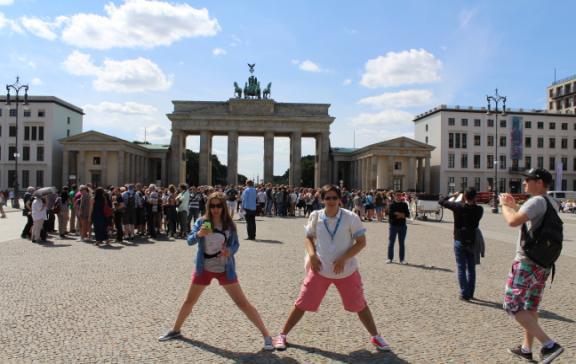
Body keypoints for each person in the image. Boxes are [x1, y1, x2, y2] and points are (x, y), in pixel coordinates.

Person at [274, 185, 391, 352]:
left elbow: (361, 242)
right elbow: (308, 238)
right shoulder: (315, 216)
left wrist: (344, 258)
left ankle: (376, 336)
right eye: (327, 198)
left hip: (346, 270)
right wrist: (312, 255)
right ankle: (282, 335)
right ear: (322, 199)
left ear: (340, 199)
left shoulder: (351, 217)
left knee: (360, 304)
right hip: (320, 268)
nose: (331, 201)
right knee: (302, 302)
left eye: (334, 197)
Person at [158, 192, 274, 351]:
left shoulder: (229, 225)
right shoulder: (201, 221)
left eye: (218, 205)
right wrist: (199, 234)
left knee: (242, 303)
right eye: (212, 205)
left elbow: (236, 245)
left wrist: (230, 252)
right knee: (189, 301)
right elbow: (189, 241)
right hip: (203, 267)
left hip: (225, 269)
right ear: (208, 206)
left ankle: (267, 336)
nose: (215, 209)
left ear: (223, 207)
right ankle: (176, 330)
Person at [499, 169, 564, 363]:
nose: (524, 182)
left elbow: (512, 221)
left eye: (528, 179)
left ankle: (549, 345)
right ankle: (527, 348)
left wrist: (504, 205)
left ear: (540, 182)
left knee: (512, 305)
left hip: (526, 264)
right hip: (542, 265)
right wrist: (514, 206)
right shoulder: (552, 202)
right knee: (530, 307)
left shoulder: (536, 201)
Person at [439, 188, 484, 301]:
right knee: (471, 268)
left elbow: (441, 201)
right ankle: (471, 292)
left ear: (464, 196)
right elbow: (474, 208)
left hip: (459, 239)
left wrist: (452, 195)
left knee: (461, 267)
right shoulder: (479, 209)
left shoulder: (458, 207)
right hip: (472, 240)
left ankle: (464, 293)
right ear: (475, 198)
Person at [386, 191, 410, 264]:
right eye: (397, 195)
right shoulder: (391, 205)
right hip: (393, 225)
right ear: (394, 196)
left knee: (402, 243)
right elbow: (390, 215)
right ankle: (390, 258)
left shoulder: (404, 204)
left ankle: (402, 259)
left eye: (400, 195)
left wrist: (397, 214)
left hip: (402, 226)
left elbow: (407, 214)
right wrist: (402, 214)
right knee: (391, 242)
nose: (398, 196)